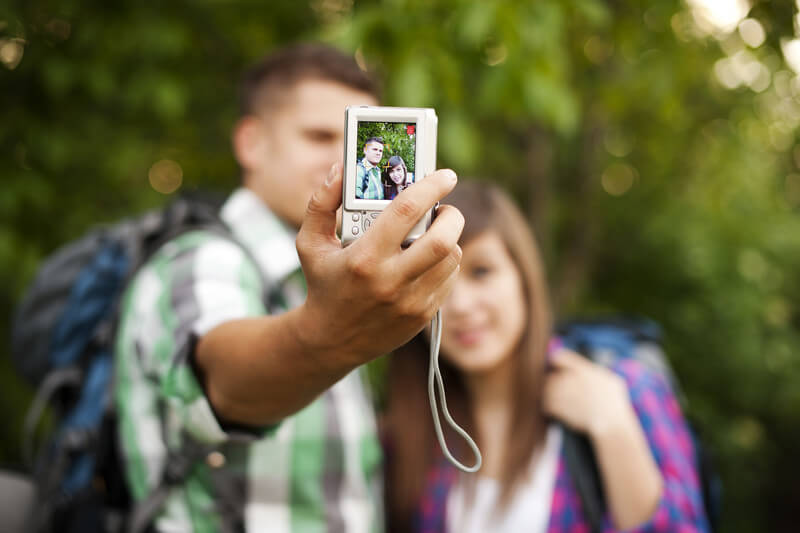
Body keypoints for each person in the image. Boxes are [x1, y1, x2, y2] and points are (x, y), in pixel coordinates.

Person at [114, 43, 465, 532]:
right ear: (251, 142)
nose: (339, 155)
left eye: (353, 136)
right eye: (321, 135)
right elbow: (226, 385)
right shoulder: (201, 260)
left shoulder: (336, 278)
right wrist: (327, 337)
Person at [383, 182, 710, 532]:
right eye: (438, 283)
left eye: (482, 272)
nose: (461, 305)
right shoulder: (408, 430)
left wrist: (614, 428)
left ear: (524, 277)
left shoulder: (625, 388)